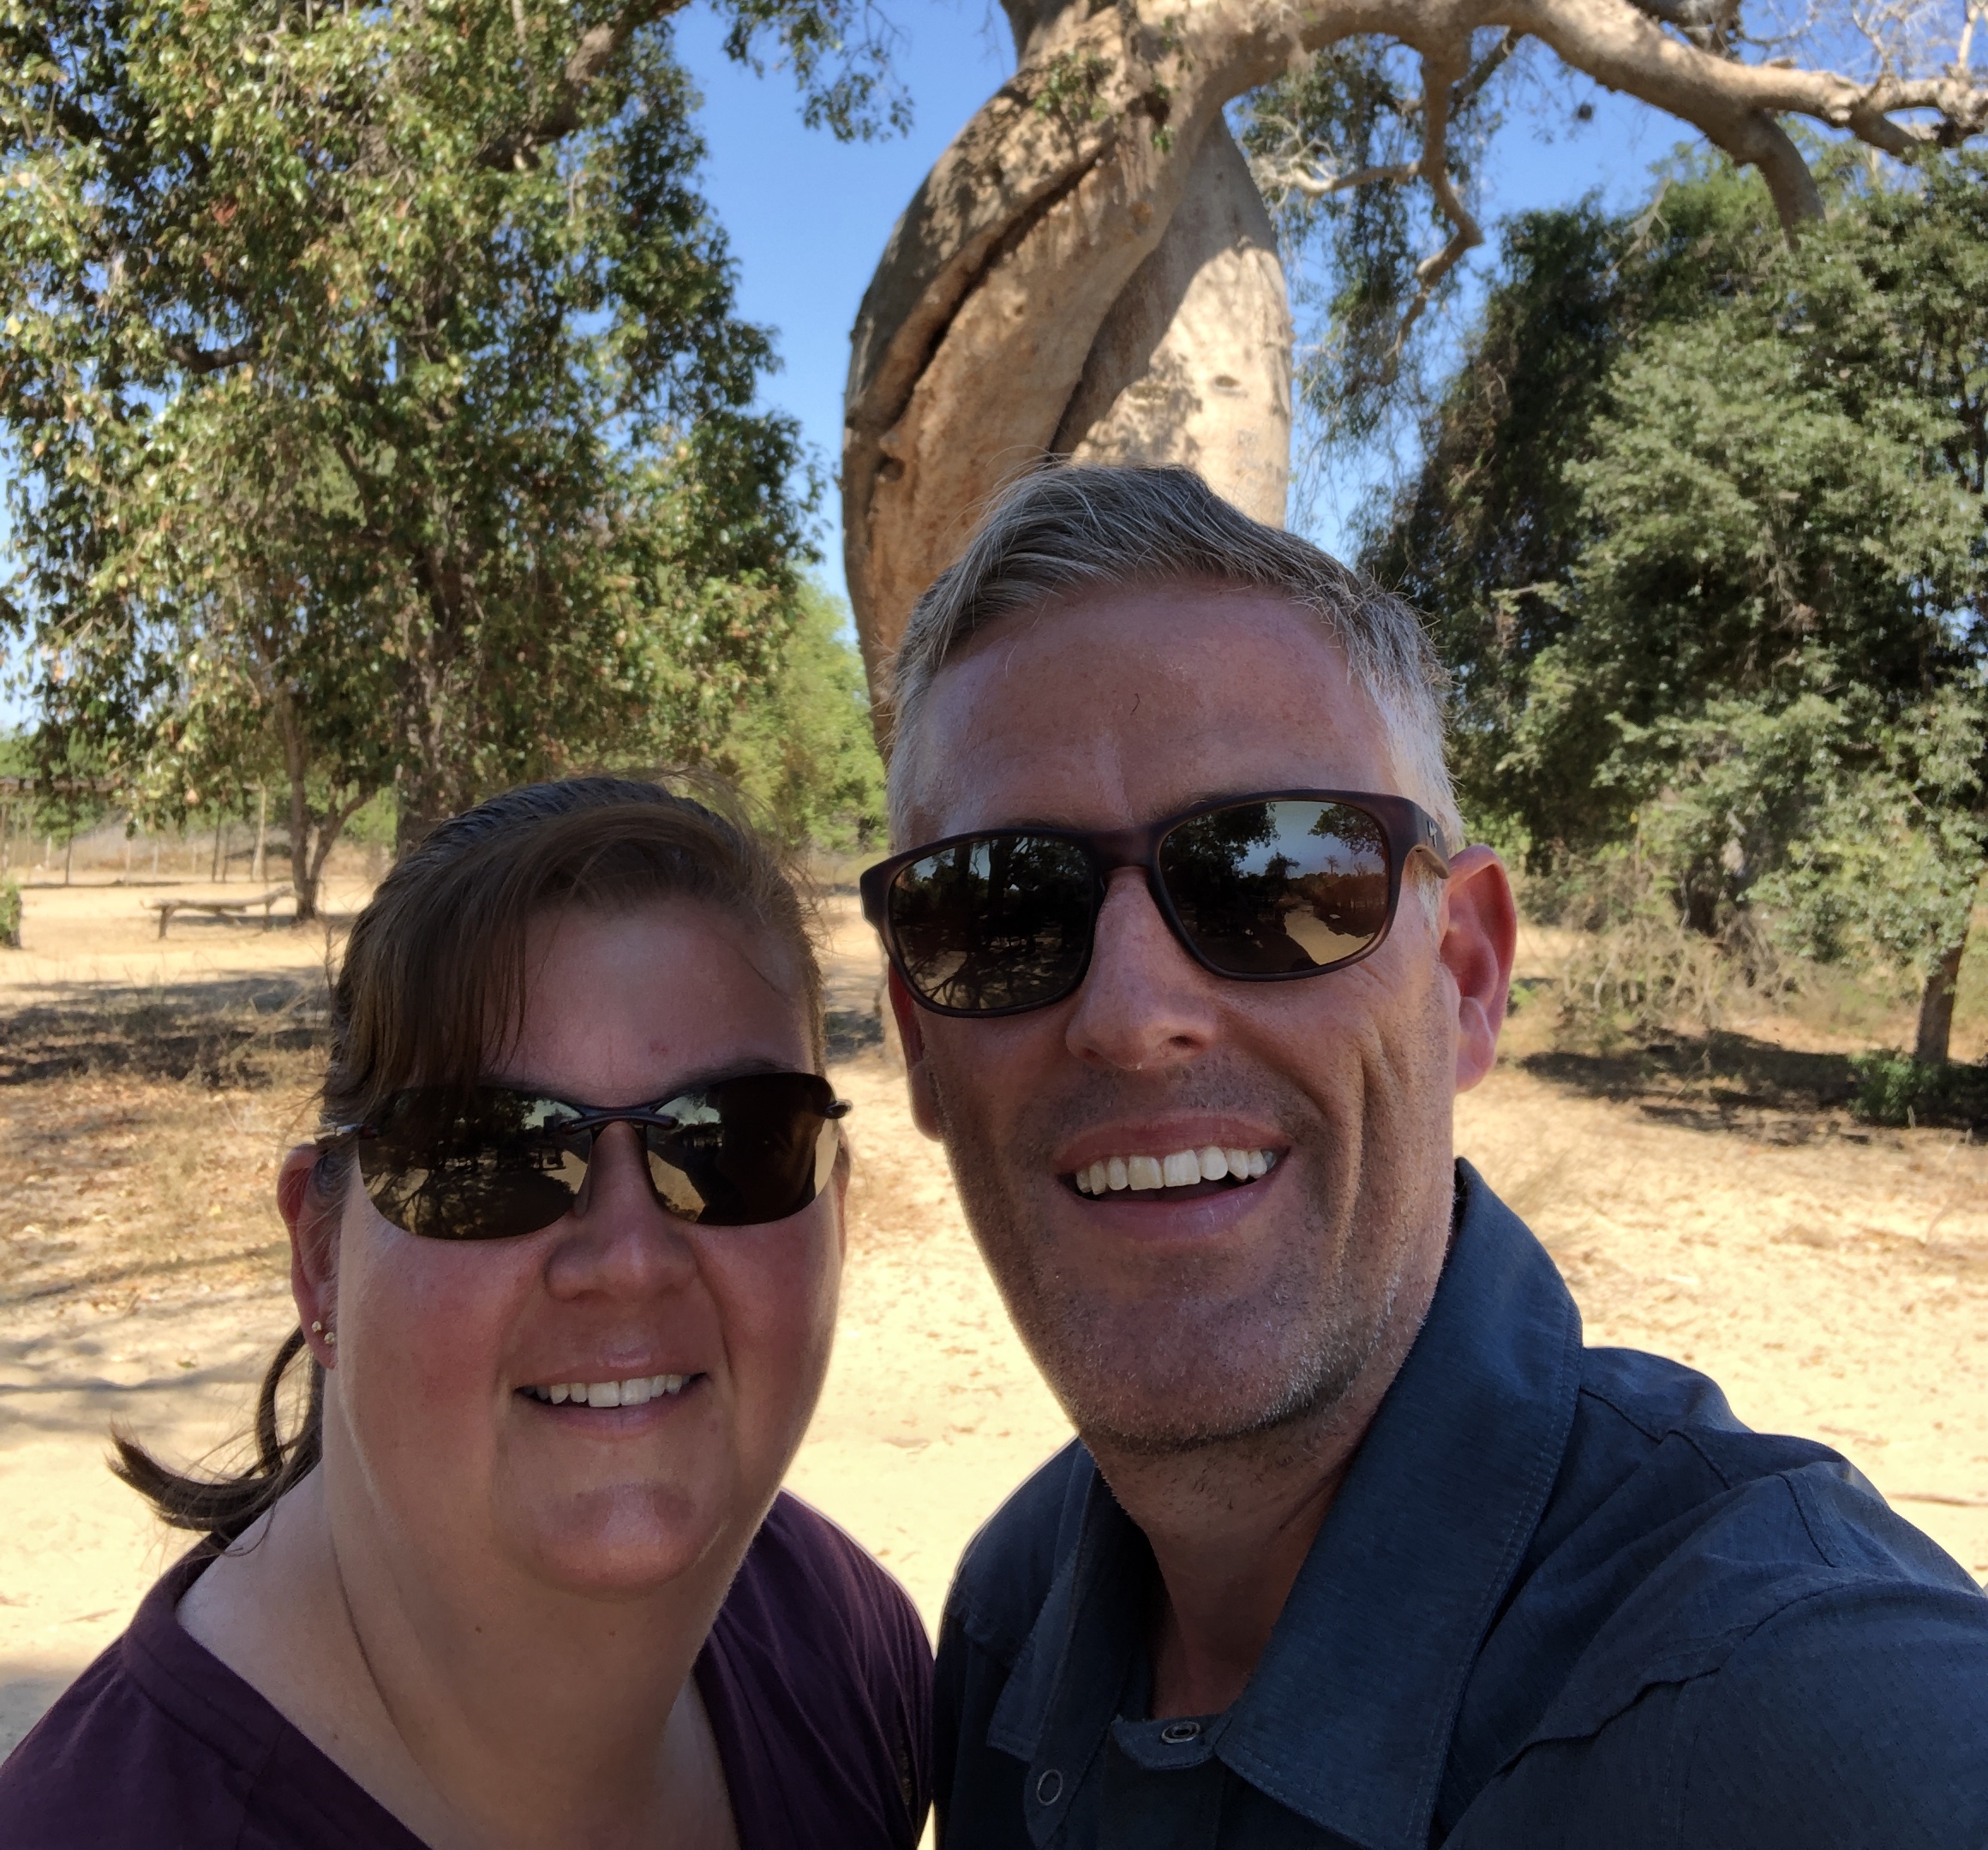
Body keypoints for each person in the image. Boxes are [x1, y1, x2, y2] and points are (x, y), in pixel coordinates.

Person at [861, 464, 1988, 1848]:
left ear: (1465, 971)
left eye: (1276, 875)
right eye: (1001, 907)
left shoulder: (1803, 1716)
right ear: (918, 1035)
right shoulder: (1013, 1620)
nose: (1131, 1013)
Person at [1, 775, 931, 1848]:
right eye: (487, 1157)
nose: (627, 1259)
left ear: (837, 1210)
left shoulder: (843, 1654)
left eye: (734, 1141)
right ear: (320, 1258)